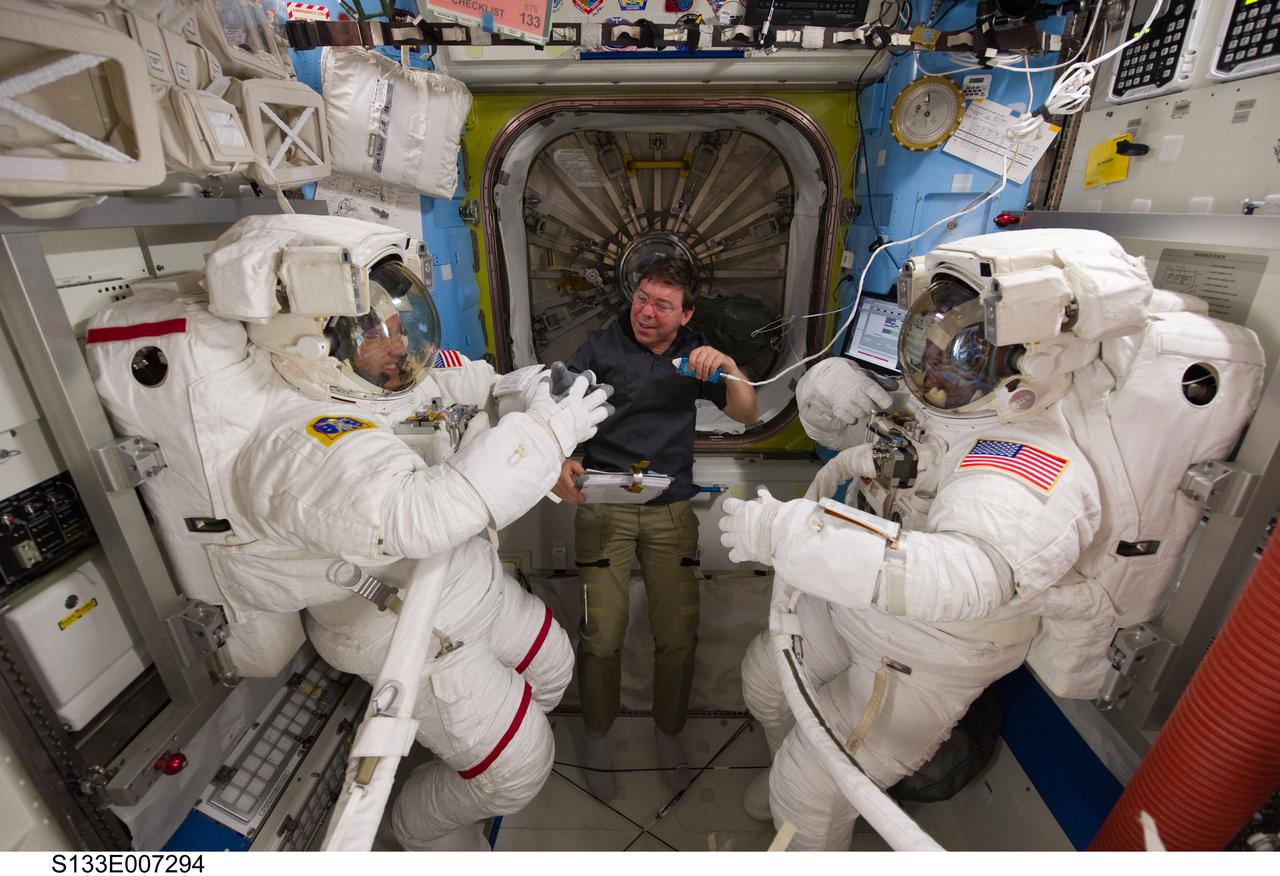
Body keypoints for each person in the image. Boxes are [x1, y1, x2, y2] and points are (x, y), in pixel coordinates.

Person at [718, 229, 1265, 850]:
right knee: (766, 677)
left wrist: (796, 536)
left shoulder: (1028, 457)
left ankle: (799, 795)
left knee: (808, 792)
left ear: (1031, 359)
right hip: (856, 604)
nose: (934, 360)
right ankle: (785, 768)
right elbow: (875, 456)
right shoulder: (948, 409)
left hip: (926, 651)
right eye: (930, 335)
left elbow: (968, 577)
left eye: (962, 349)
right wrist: (824, 395)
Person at [88, 215, 613, 851]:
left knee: (555, 666)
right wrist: (549, 435)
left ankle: (472, 758)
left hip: (469, 585)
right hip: (406, 627)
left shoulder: (387, 384)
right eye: (375, 336)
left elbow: (485, 386)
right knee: (520, 770)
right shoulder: (299, 444)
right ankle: (424, 839)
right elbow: (419, 514)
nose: (398, 348)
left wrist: (538, 389)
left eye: (399, 328)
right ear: (318, 345)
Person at [551, 256, 758, 799]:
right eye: (641, 298)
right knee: (602, 636)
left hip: (670, 510)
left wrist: (729, 365)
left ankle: (670, 733)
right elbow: (556, 409)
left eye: (662, 305)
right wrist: (559, 461)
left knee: (677, 636)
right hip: (603, 505)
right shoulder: (601, 347)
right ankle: (598, 735)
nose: (645, 312)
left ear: (685, 314)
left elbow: (747, 414)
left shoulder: (697, 354)